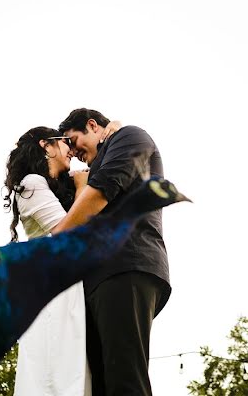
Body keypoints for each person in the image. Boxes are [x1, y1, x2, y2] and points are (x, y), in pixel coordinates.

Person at [53, 108, 170, 396]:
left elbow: (103, 190)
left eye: (73, 138)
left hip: (127, 265)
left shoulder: (130, 136)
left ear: (93, 125)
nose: (74, 150)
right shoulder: (92, 168)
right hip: (98, 280)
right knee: (102, 383)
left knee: (124, 377)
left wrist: (55, 237)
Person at [3, 122, 122, 396]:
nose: (70, 149)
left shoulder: (52, 187)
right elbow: (66, 232)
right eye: (64, 142)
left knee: (72, 368)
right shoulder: (31, 183)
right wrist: (83, 186)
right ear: (46, 145)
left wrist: (111, 130)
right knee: (55, 369)